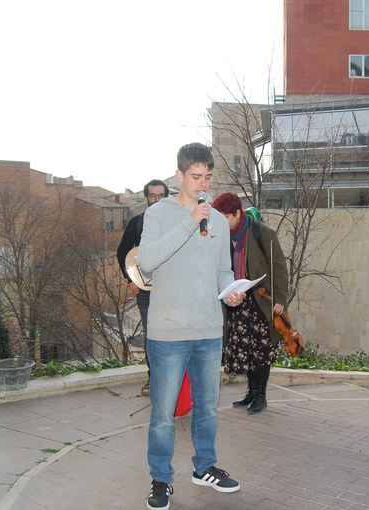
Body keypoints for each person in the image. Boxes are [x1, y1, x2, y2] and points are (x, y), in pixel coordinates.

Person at [138, 143, 244, 510]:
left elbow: (222, 270)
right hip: (169, 332)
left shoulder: (216, 220)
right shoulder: (159, 215)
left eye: (208, 177)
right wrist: (190, 221)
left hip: (209, 330)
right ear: (179, 176)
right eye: (196, 177)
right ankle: (161, 479)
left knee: (208, 407)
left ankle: (205, 467)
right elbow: (147, 262)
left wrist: (229, 292)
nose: (203, 185)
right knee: (164, 414)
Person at [212, 192, 288, 414]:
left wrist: (280, 299)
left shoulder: (261, 233)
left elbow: (279, 268)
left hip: (260, 303)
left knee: (261, 352)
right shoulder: (222, 236)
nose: (221, 222)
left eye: (224, 216)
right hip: (236, 303)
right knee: (245, 351)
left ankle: (260, 396)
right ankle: (251, 392)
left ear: (237, 213)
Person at [116, 179, 169, 397]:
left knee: (172, 334)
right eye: (152, 195)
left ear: (167, 196)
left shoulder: (175, 222)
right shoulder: (137, 223)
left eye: (161, 195)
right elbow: (122, 252)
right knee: (151, 335)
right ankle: (153, 378)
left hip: (171, 289)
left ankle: (172, 379)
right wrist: (131, 281)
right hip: (146, 290)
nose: (156, 199)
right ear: (146, 197)